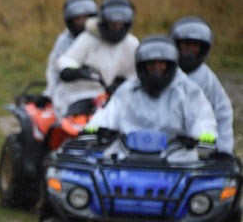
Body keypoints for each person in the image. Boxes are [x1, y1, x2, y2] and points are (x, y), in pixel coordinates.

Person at [85, 35, 217, 145]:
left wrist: (205, 134)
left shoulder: (188, 91)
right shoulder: (127, 90)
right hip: (129, 158)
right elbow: (108, 114)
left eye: (161, 63)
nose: (157, 67)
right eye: (151, 63)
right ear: (142, 65)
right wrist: (94, 126)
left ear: (170, 64)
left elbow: (202, 118)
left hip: (176, 159)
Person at [55, 0, 139, 117]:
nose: (116, 28)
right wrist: (76, 71)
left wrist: (123, 84)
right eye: (112, 24)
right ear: (104, 22)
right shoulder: (88, 38)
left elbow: (136, 75)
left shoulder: (131, 43)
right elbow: (67, 60)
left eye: (119, 24)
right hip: (82, 94)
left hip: (117, 98)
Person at [170, 16, 235, 154]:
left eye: (195, 45)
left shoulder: (207, 78)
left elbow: (223, 112)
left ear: (203, 48)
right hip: (162, 139)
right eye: (186, 44)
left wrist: (223, 149)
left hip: (194, 145)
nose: (189, 49)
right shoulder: (164, 70)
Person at [45, 0, 98, 101]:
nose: (83, 22)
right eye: (78, 19)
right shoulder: (65, 41)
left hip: (100, 86)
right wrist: (78, 70)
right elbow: (61, 66)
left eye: (85, 18)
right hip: (72, 90)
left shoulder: (103, 36)